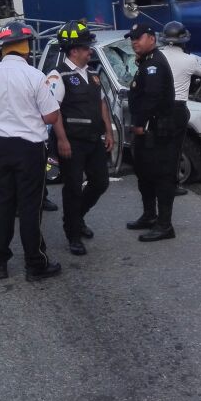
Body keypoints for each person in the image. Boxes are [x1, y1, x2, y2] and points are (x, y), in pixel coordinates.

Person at [0, 20, 62, 281]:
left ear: (3, 47)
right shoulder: (35, 76)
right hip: (29, 149)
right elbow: (51, 116)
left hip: (0, 148)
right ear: (26, 47)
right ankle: (35, 263)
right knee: (29, 207)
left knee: (3, 205)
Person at [46, 20, 115, 256]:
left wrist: (108, 130)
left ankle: (76, 217)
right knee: (73, 188)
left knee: (100, 183)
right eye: (86, 48)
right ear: (74, 50)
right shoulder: (58, 76)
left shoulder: (93, 74)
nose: (90, 51)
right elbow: (53, 113)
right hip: (72, 142)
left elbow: (101, 103)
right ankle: (73, 233)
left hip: (94, 140)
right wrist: (62, 141)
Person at [124, 23, 180, 242]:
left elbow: (152, 97)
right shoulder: (146, 62)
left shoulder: (154, 64)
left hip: (156, 129)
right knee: (144, 174)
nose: (134, 42)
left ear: (151, 39)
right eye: (132, 39)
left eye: (138, 38)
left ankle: (165, 225)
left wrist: (139, 122)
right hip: (147, 130)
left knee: (161, 176)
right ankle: (149, 215)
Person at [160, 21, 201, 196]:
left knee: (160, 146)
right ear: (184, 40)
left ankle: (159, 181)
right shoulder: (190, 59)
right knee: (175, 148)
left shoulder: (157, 56)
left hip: (160, 107)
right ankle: (172, 184)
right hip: (178, 107)